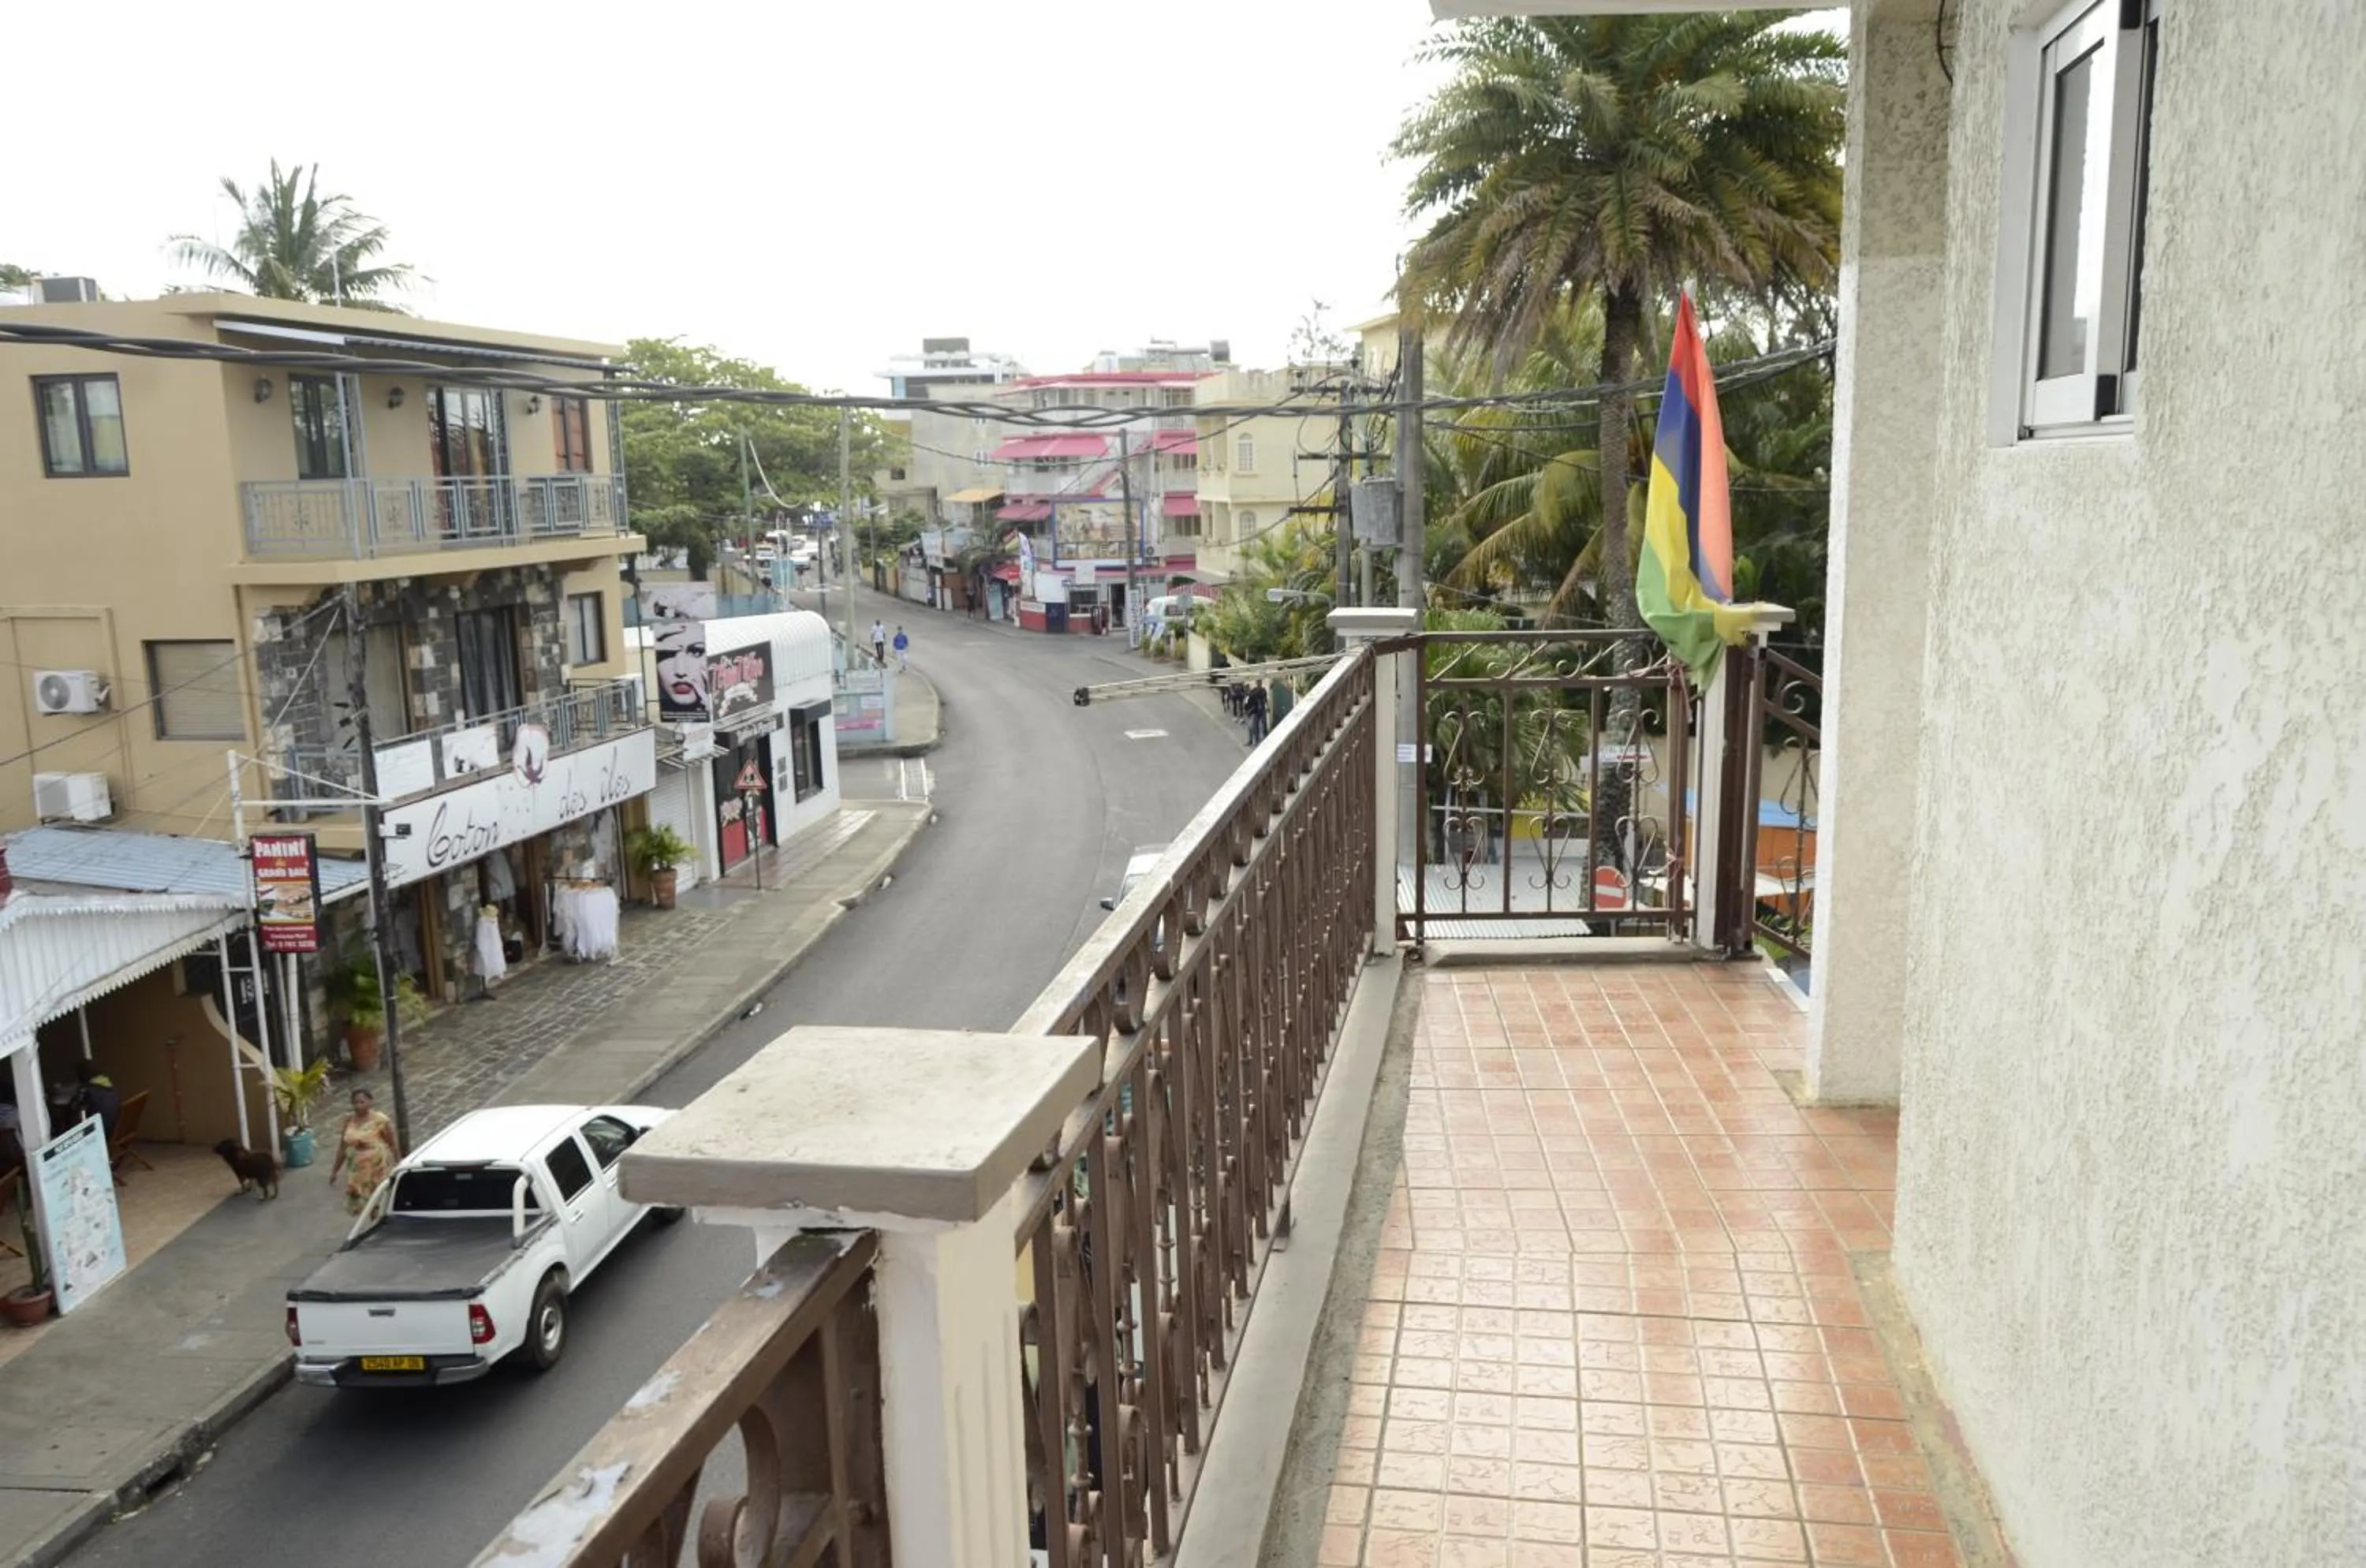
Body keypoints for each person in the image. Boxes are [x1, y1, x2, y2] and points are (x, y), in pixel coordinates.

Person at [330, 1088, 400, 1215]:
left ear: (370, 1101)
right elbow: (343, 1147)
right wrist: (335, 1171)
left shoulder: (380, 1120)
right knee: (362, 1205)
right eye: (355, 1103)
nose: (358, 1106)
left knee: (377, 1201)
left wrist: (398, 1163)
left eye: (362, 1102)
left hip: (376, 1170)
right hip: (357, 1172)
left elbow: (391, 1143)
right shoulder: (349, 1121)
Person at [73, 1059, 120, 1143]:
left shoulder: (88, 1091)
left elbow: (78, 1113)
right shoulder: (109, 1086)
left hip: (100, 1135)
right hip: (113, 1131)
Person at [1244, 681, 1270, 745]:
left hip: (1260, 709)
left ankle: (1261, 739)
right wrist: (1246, 711)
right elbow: (1246, 703)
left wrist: (1267, 706)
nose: (1259, 683)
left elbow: (1265, 699)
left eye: (1260, 682)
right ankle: (1254, 740)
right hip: (1255, 711)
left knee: (1262, 724)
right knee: (1253, 726)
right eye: (1258, 682)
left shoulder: (1263, 690)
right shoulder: (1253, 691)